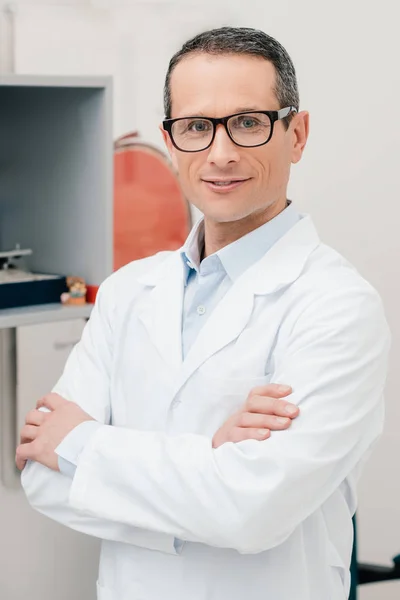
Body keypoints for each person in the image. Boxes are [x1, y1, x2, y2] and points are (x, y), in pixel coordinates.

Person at [17, 27, 390, 600]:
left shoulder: (336, 306)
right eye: (196, 127)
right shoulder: (127, 292)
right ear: (170, 141)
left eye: (247, 122)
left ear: (298, 134)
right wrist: (209, 461)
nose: (219, 154)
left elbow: (252, 509)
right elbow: (42, 480)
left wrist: (82, 445)